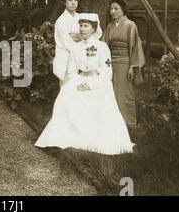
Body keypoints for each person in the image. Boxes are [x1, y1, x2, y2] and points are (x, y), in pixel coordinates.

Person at [35, 13, 134, 155]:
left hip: (97, 81)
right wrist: (73, 84)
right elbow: (72, 70)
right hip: (79, 79)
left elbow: (107, 72)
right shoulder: (76, 47)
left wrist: (91, 85)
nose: (82, 29)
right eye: (80, 26)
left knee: (96, 98)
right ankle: (61, 137)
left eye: (86, 26)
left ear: (93, 29)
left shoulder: (102, 46)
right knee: (65, 96)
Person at [102, 0, 145, 126]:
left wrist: (132, 66)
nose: (113, 11)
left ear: (123, 10)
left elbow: (135, 46)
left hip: (125, 62)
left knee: (125, 92)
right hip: (111, 62)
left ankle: (128, 121)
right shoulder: (110, 26)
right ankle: (113, 122)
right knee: (112, 92)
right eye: (111, 9)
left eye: (116, 9)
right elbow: (104, 45)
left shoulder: (130, 25)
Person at [53, 0, 102, 86]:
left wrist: (78, 37)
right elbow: (67, 42)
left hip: (81, 55)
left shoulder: (81, 17)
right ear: (64, 2)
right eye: (70, 0)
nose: (73, 3)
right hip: (67, 57)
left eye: (75, 0)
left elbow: (95, 33)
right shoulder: (61, 21)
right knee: (67, 89)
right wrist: (81, 39)